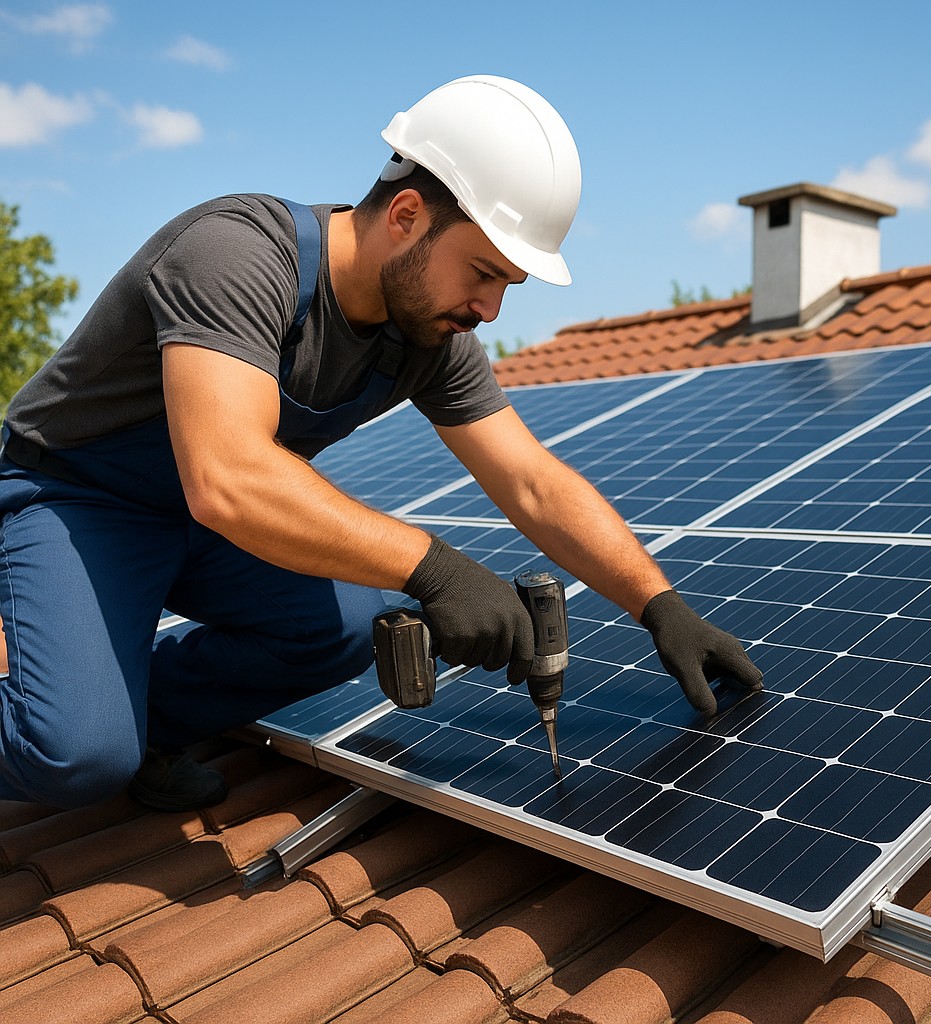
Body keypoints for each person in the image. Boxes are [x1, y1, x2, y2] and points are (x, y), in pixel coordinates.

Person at [0, 75, 762, 812]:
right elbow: (228, 475)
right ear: (405, 215)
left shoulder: (427, 336)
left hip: (198, 523)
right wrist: (437, 569)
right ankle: (93, 729)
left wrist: (659, 607)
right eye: (484, 273)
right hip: (75, 501)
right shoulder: (238, 254)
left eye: (510, 287)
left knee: (348, 625)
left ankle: (149, 721)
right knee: (75, 755)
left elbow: (531, 481)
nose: (491, 309)